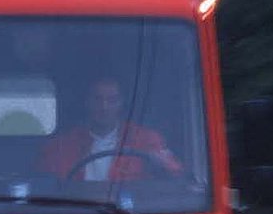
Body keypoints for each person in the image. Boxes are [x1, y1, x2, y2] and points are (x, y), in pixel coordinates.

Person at [36, 76, 182, 181]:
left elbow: (174, 174)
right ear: (87, 102)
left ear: (121, 103)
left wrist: (162, 164)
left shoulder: (146, 140)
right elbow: (44, 184)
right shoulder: (62, 146)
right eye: (98, 99)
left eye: (112, 100)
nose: (104, 107)